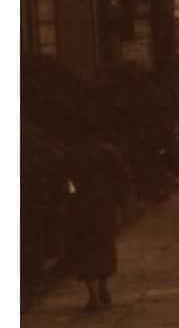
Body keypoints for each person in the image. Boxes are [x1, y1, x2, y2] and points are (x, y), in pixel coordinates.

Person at [64, 130, 132, 313]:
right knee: (104, 246)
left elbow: (66, 183)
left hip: (81, 206)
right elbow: (123, 178)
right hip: (103, 205)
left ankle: (92, 294)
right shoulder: (106, 151)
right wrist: (121, 203)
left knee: (85, 250)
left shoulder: (71, 155)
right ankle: (102, 285)